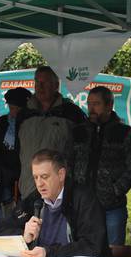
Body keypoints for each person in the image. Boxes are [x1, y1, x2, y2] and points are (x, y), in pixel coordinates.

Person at [72, 86, 131, 246]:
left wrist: (116, 190)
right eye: (89, 104)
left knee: (113, 253)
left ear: (109, 105)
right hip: (82, 206)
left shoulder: (125, 132)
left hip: (112, 207)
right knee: (81, 252)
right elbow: (68, 163)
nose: (91, 108)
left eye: (96, 104)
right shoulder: (78, 131)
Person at [17, 66, 87, 197]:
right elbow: (17, 151)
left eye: (45, 82)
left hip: (60, 190)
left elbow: (82, 153)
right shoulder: (24, 114)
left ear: (56, 85)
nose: (40, 87)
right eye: (37, 82)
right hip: (28, 189)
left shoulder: (71, 113)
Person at [0, 87, 31, 217]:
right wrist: (1, 169)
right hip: (2, 178)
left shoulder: (30, 124)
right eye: (11, 108)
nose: (13, 112)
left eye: (17, 109)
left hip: (23, 178)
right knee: (2, 212)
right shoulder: (2, 122)